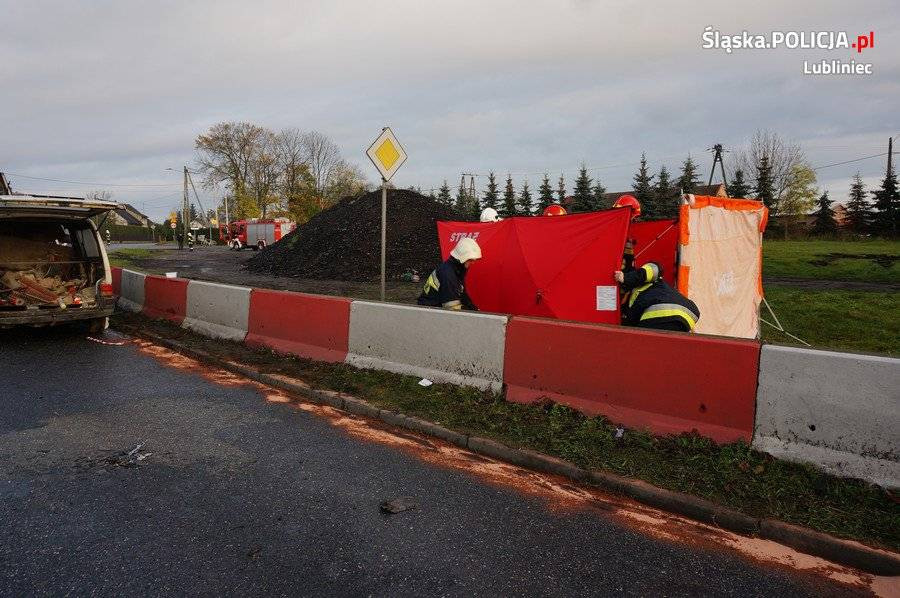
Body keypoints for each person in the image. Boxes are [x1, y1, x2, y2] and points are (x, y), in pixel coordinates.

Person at [614, 261, 700, 332]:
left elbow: (654, 268)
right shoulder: (659, 286)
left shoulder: (649, 282)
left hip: (661, 315)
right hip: (690, 315)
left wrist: (626, 278)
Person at [417, 237, 481, 311]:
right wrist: (472, 313)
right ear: (461, 258)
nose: (473, 263)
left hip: (434, 307)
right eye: (470, 260)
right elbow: (452, 307)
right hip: (430, 311)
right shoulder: (448, 274)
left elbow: (461, 293)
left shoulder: (456, 269)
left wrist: (472, 307)